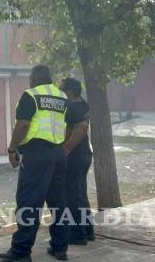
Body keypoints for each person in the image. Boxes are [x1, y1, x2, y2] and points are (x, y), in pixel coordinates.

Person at [0, 65, 69, 262]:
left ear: (33, 78)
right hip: (58, 153)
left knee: (29, 202)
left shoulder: (31, 95)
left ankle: (20, 252)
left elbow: (23, 124)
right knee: (58, 202)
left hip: (38, 154)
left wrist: (12, 149)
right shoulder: (62, 97)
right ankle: (60, 247)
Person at [60, 77, 95, 244]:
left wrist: (66, 148)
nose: (60, 91)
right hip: (85, 155)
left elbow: (81, 128)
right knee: (80, 194)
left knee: (72, 196)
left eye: (62, 89)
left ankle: (77, 235)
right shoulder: (84, 104)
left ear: (70, 91)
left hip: (74, 156)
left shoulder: (71, 107)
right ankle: (88, 230)